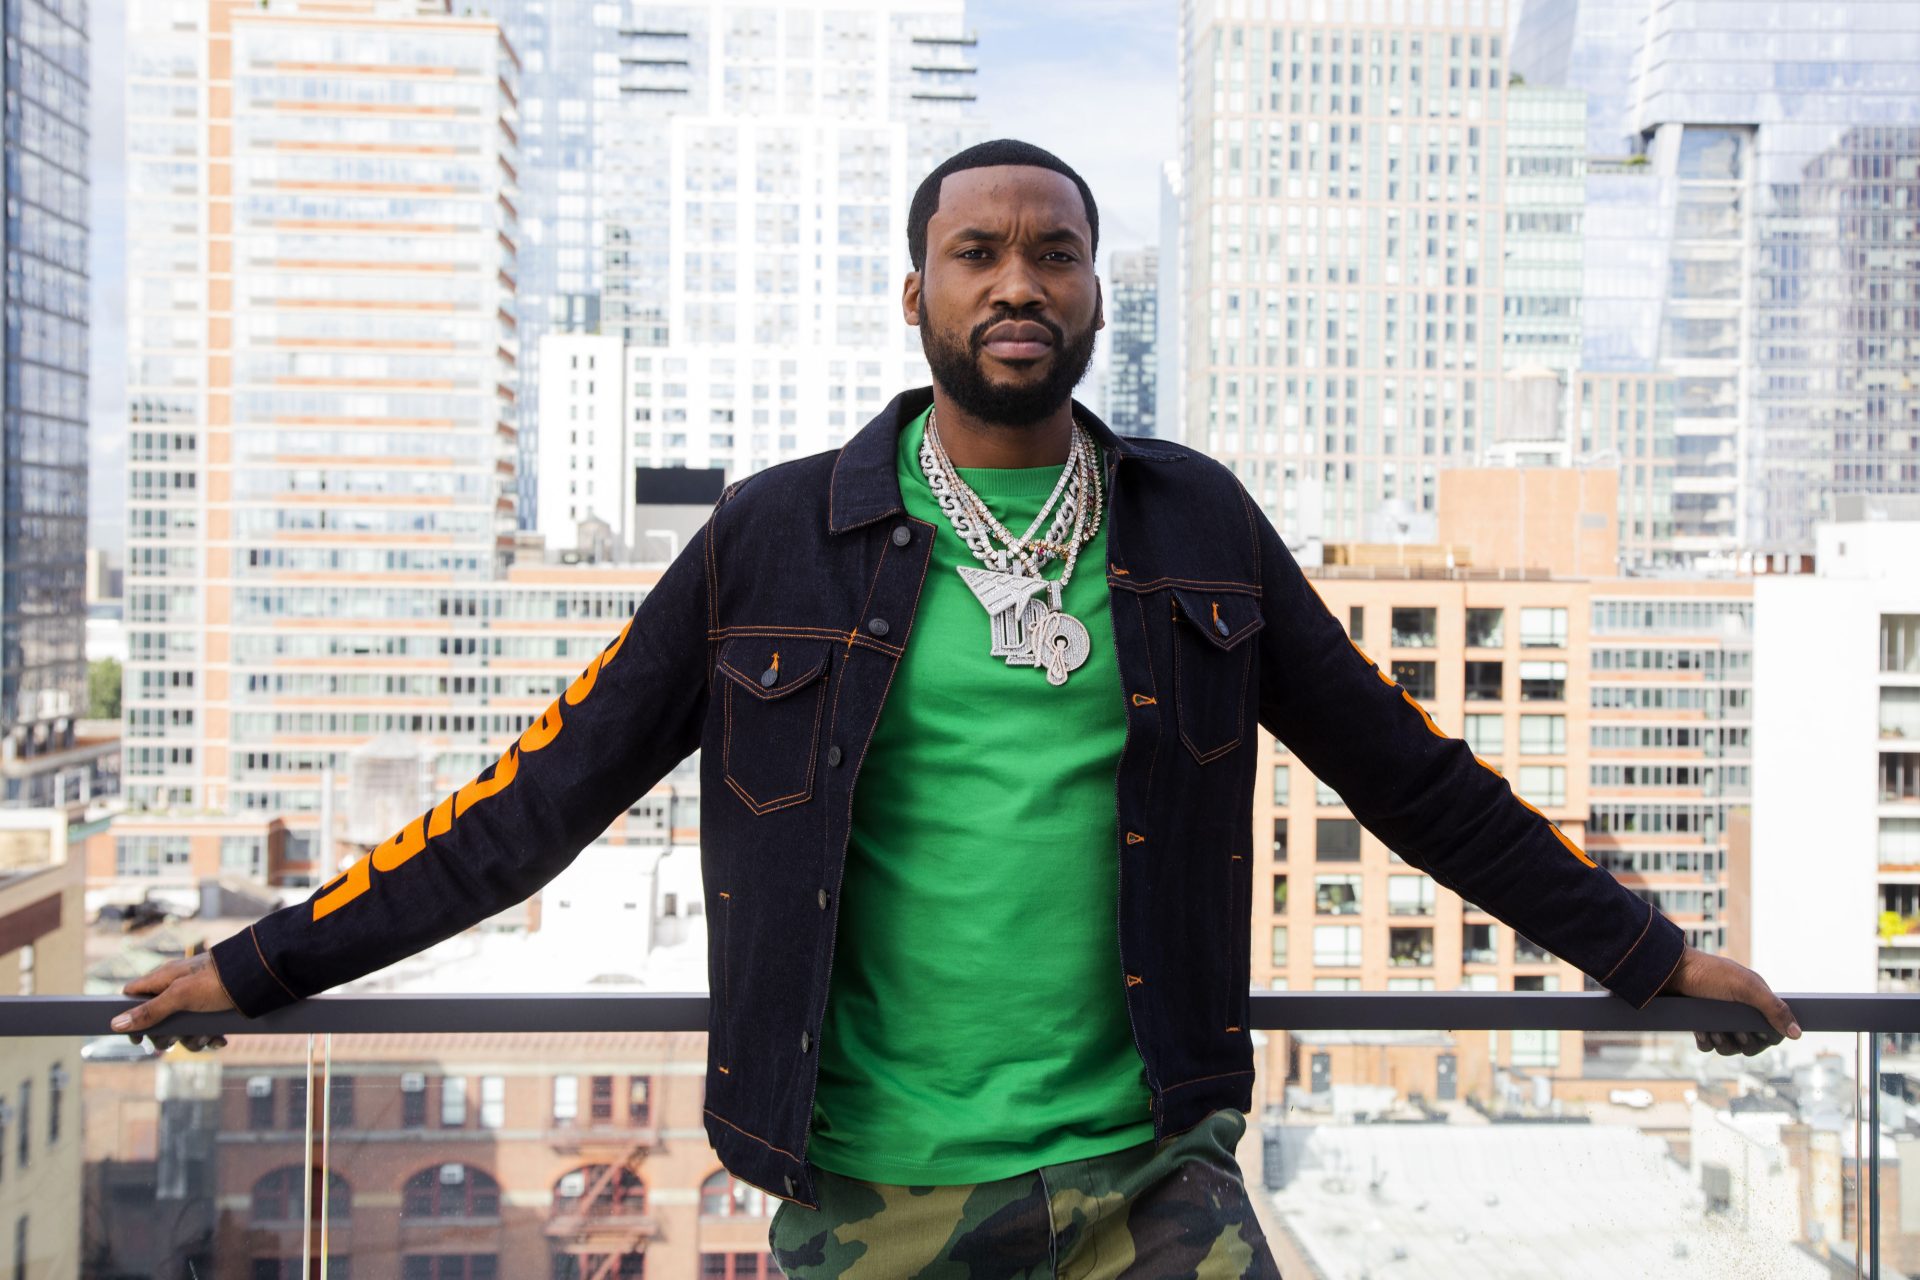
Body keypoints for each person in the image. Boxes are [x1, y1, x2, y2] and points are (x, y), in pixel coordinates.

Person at [116, 139, 1800, 1278]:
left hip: (1153, 1173)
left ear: (1092, 295)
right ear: (915, 294)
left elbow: (1411, 777)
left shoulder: (1194, 523)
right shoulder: (776, 536)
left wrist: (1652, 956)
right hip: (869, 1188)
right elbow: (539, 798)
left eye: (1054, 254)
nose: (1018, 280)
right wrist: (260, 965)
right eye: (976, 252)